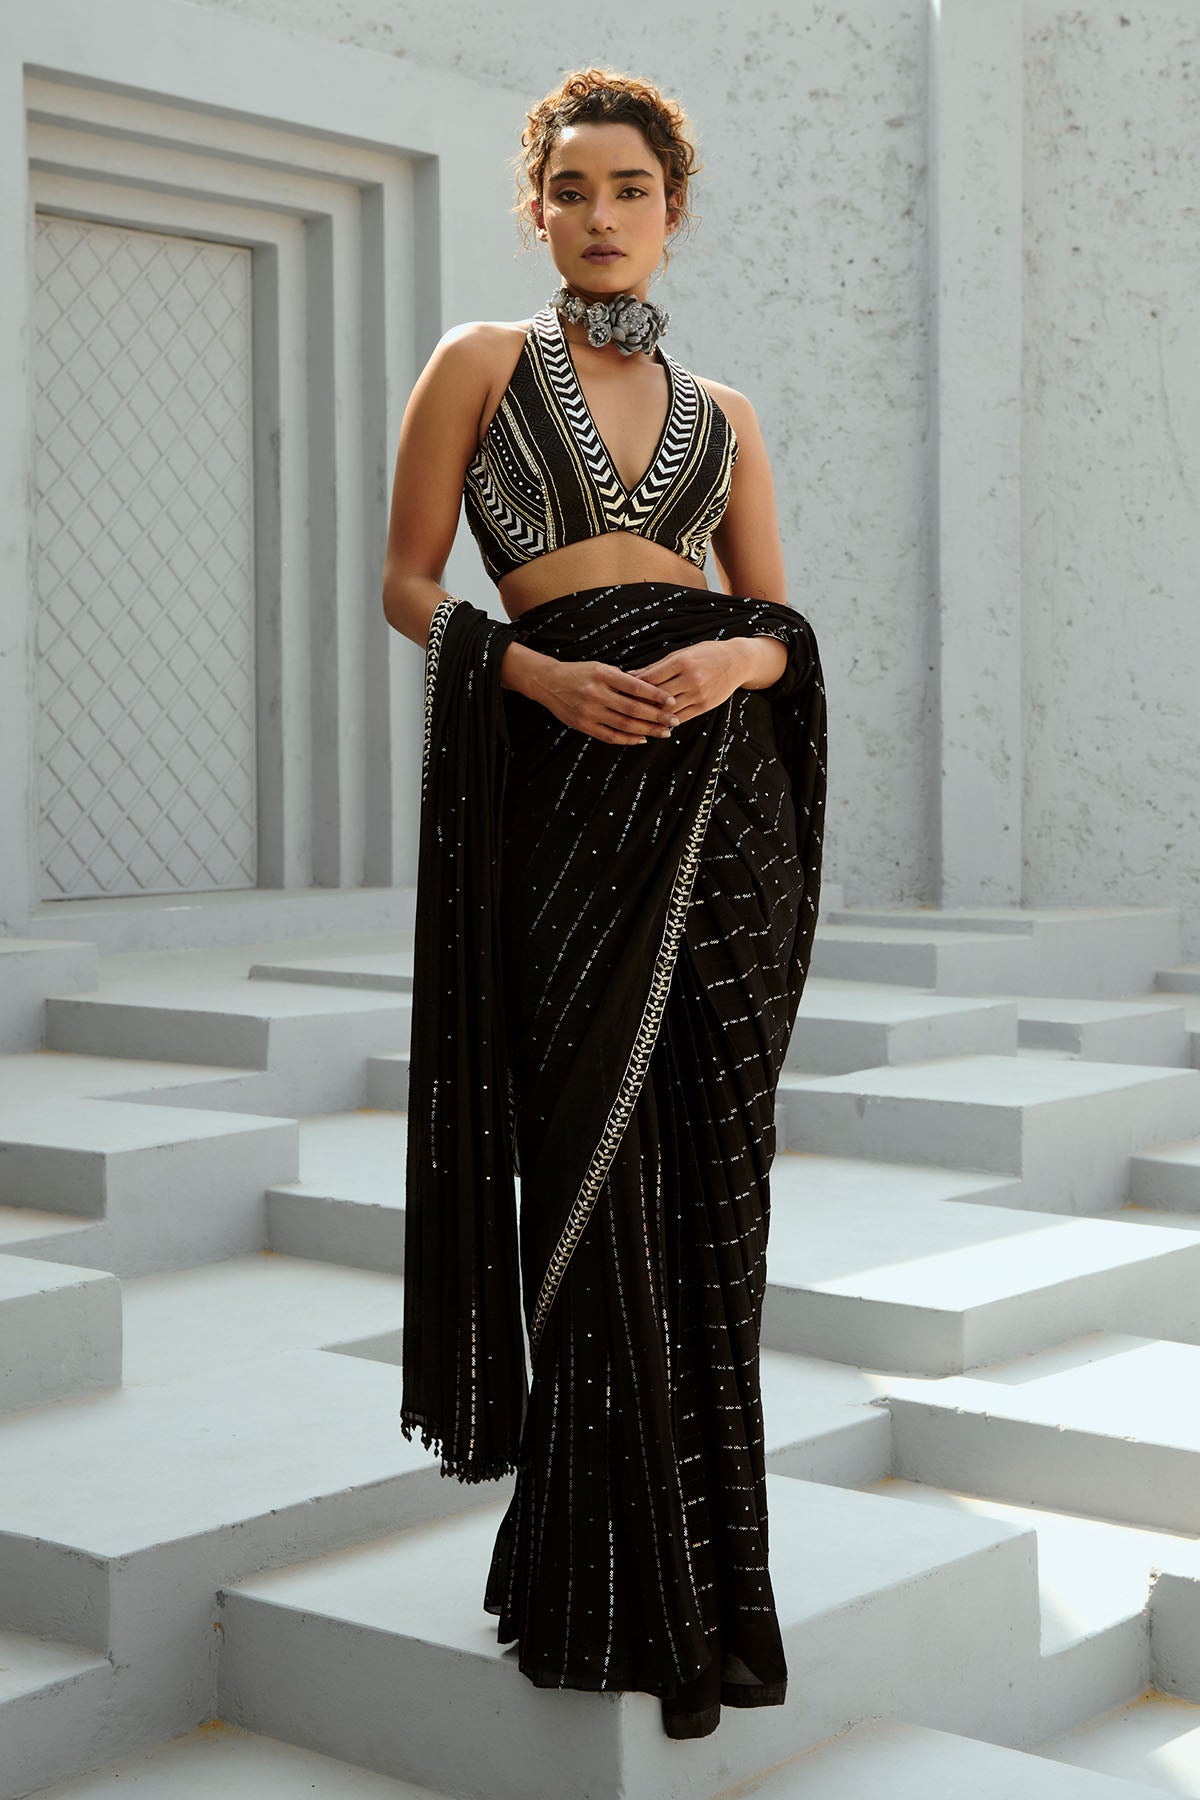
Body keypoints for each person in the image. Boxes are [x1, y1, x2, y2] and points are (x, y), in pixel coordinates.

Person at [380, 65, 826, 1742]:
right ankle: (589, 1580)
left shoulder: (729, 416)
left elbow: (776, 621)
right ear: (537, 208)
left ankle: (711, 1593)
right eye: (571, 187)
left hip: (724, 807)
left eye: (630, 187)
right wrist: (539, 678)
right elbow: (408, 582)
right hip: (565, 794)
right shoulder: (481, 366)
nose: (600, 213)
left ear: (673, 209)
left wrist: (732, 660)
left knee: (713, 1178)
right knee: (585, 1159)